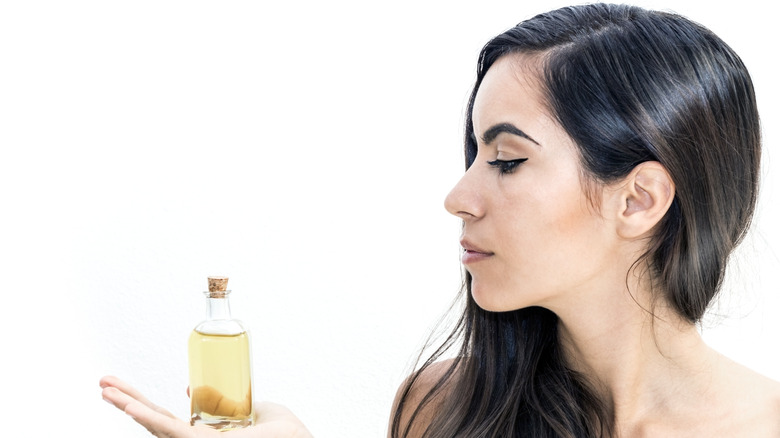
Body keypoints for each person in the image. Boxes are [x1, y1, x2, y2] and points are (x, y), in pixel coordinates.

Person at [101, 3, 780, 437]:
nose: (457, 195)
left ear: (638, 200)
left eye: (507, 160)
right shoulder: (441, 408)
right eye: (473, 155)